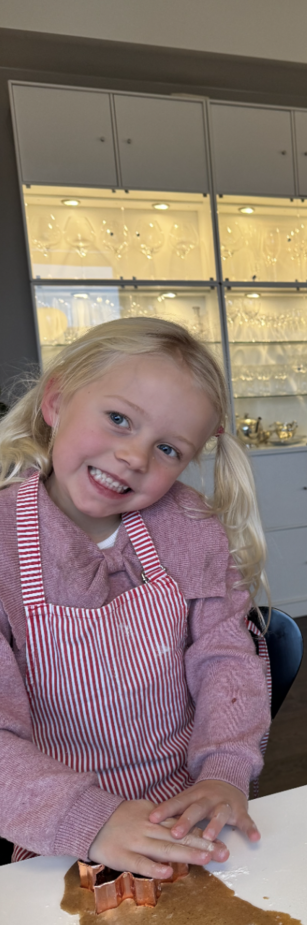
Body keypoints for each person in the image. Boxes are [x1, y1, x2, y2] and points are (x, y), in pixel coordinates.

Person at [0, 318, 270, 880]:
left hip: (189, 808)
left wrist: (223, 771)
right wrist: (91, 818)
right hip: (58, 829)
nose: (134, 457)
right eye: (119, 419)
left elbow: (226, 661)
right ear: (56, 400)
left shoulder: (189, 525)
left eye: (167, 448)